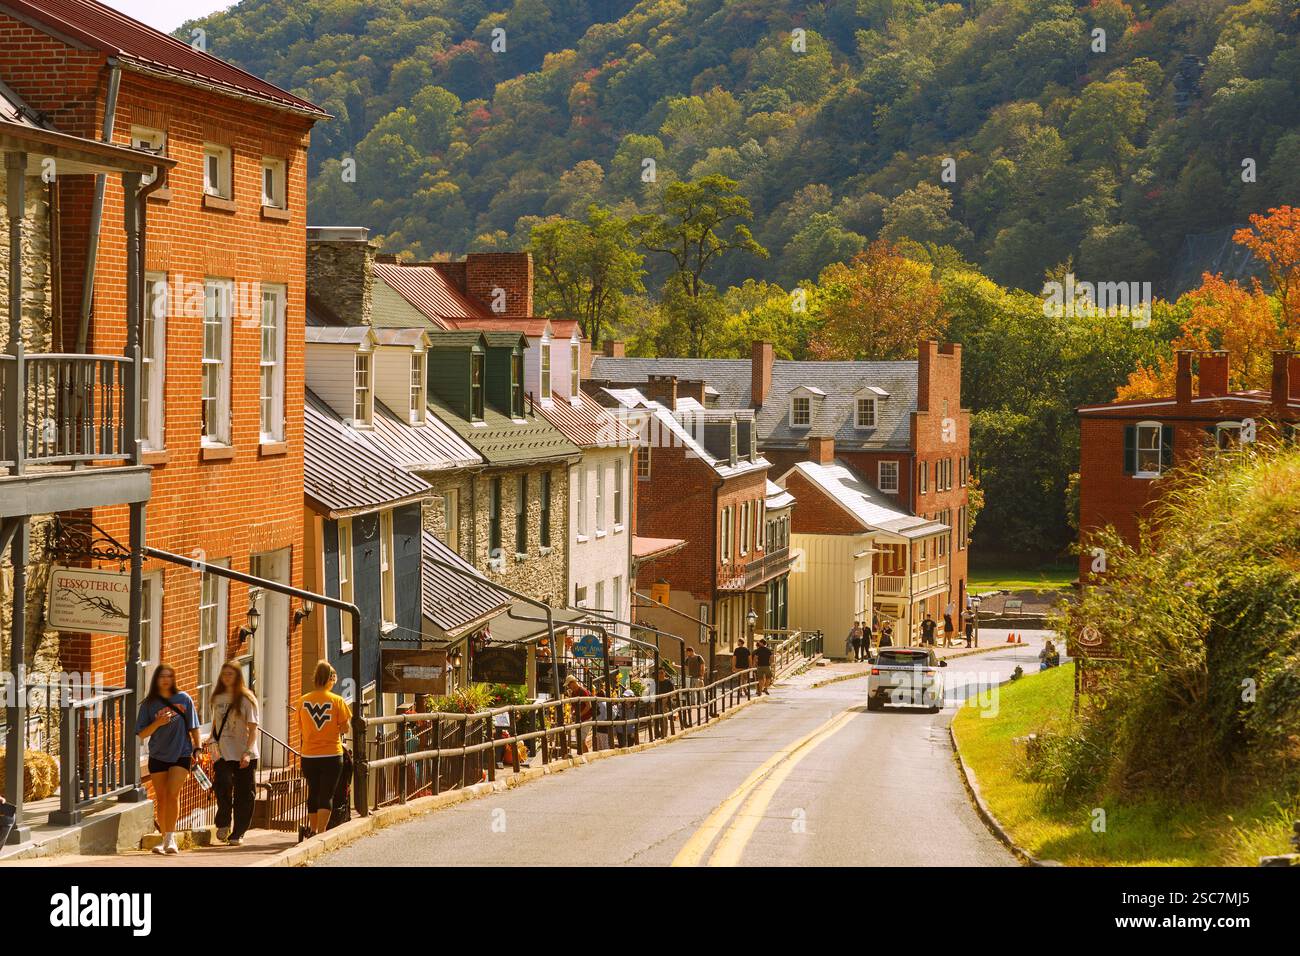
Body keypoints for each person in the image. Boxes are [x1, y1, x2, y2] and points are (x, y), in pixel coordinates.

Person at [136, 664, 201, 855]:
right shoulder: (149, 704)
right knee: (162, 798)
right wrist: (157, 723)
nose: (166, 680)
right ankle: (165, 839)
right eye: (162, 676)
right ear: (156, 679)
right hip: (157, 755)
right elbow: (141, 734)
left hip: (181, 752)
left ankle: (171, 838)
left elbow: (194, 726)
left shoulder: (184, 699)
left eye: (169, 676)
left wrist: (197, 747)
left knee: (173, 794)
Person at [297, 661, 351, 840]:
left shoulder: (303, 700)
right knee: (326, 793)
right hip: (331, 754)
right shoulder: (337, 701)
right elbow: (345, 728)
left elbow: (300, 727)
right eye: (334, 677)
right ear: (330, 679)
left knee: (313, 791)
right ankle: (321, 832)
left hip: (309, 754)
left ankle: (312, 830)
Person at [208, 662, 259, 846]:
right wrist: (212, 740)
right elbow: (216, 723)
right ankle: (223, 822)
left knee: (244, 794)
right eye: (224, 674)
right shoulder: (217, 697)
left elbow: (253, 729)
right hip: (222, 751)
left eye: (231, 674)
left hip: (244, 753)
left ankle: (238, 833)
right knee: (222, 784)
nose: (227, 677)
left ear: (238, 676)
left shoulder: (247, 699)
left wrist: (247, 752)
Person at [564, 675, 594, 751]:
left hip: (587, 718)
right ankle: (583, 754)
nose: (568, 687)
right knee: (579, 739)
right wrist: (573, 713)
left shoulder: (583, 691)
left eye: (569, 685)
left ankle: (586, 755)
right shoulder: (574, 693)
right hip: (581, 718)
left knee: (581, 739)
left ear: (573, 683)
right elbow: (573, 706)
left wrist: (579, 714)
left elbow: (588, 706)